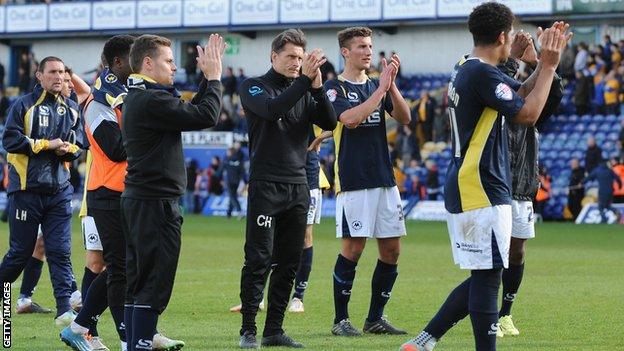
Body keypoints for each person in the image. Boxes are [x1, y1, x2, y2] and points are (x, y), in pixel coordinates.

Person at [399, 4, 571, 349]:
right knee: (490, 278)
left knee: (486, 274)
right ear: (503, 36)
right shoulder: (481, 74)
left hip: (472, 182)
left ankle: (423, 341)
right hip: (481, 184)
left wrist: (535, 65)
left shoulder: (467, 66)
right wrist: (549, 65)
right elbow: (529, 113)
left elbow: (518, 94)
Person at [121, 34, 224, 351]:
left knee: (139, 278)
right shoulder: (151, 100)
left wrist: (206, 80)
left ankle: (136, 343)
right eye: (168, 60)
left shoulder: (143, 96)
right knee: (154, 278)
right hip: (155, 202)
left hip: (142, 199)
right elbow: (205, 116)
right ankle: (140, 343)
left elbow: (186, 109)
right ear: (147, 63)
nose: (175, 66)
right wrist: (216, 78)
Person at [237, 29, 337, 349]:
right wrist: (304, 82)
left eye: (300, 57)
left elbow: (330, 122)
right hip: (266, 184)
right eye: (291, 56)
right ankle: (249, 329)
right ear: (273, 56)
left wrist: (318, 88)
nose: (296, 62)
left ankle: (274, 330)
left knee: (289, 261)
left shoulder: (305, 89)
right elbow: (273, 110)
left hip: (298, 185)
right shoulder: (253, 86)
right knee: (259, 258)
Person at [324, 26, 411, 337]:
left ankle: (375, 318)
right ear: (346, 52)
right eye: (361, 46)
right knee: (354, 248)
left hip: (384, 180)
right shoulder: (334, 89)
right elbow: (349, 119)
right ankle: (340, 320)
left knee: (392, 251)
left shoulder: (378, 85)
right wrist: (380, 90)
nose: (368, 51)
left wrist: (391, 86)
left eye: (370, 46)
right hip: (354, 181)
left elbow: (405, 117)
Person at [0, 56, 87, 327]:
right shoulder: (23, 105)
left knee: (60, 251)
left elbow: (80, 142)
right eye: (52, 72)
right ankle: (9, 299)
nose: (59, 77)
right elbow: (10, 139)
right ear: (40, 76)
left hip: (60, 190)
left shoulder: (71, 108)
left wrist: (68, 149)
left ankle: (64, 310)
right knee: (20, 253)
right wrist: (46, 145)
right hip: (26, 190)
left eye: (62, 72)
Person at [497, 30, 564, 337]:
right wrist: (514, 59)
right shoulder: (486, 78)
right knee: (490, 253)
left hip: (523, 183)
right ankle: (484, 314)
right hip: (494, 181)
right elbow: (506, 89)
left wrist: (541, 61)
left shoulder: (533, 108)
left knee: (517, 252)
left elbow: (552, 94)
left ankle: (505, 314)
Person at [287, 128, 332, 313]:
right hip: (280, 172)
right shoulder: (277, 100)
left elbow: (336, 120)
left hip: (309, 177)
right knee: (270, 236)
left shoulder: (314, 99)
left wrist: (319, 138)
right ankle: (258, 298)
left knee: (305, 236)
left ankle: (298, 297)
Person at [222, 145, 246, 219]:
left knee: (232, 196)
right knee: (232, 196)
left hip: (229, 181)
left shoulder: (226, 160)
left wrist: (216, 175)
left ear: (230, 152)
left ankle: (239, 211)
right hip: (237, 182)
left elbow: (220, 171)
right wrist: (243, 180)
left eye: (228, 152)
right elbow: (242, 172)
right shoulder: (239, 161)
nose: (227, 153)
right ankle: (229, 214)